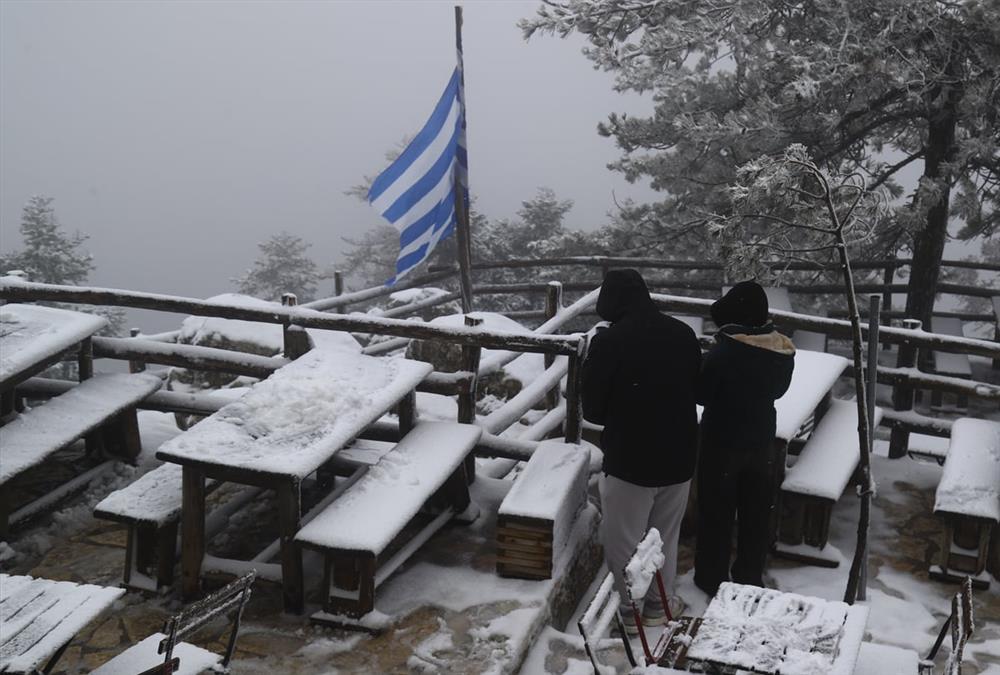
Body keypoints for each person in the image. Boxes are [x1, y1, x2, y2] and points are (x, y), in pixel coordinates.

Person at [582, 269, 702, 633]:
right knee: (662, 537)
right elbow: (696, 389)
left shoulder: (609, 341)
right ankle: (658, 605)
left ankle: (630, 612)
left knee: (625, 541)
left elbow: (594, 411)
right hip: (679, 455)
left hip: (631, 459)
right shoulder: (683, 333)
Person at [694, 281, 795, 597]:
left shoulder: (725, 352)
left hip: (722, 441)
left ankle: (711, 578)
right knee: (756, 513)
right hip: (762, 438)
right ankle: (750, 576)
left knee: (716, 512)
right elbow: (779, 391)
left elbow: (701, 393)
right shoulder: (781, 350)